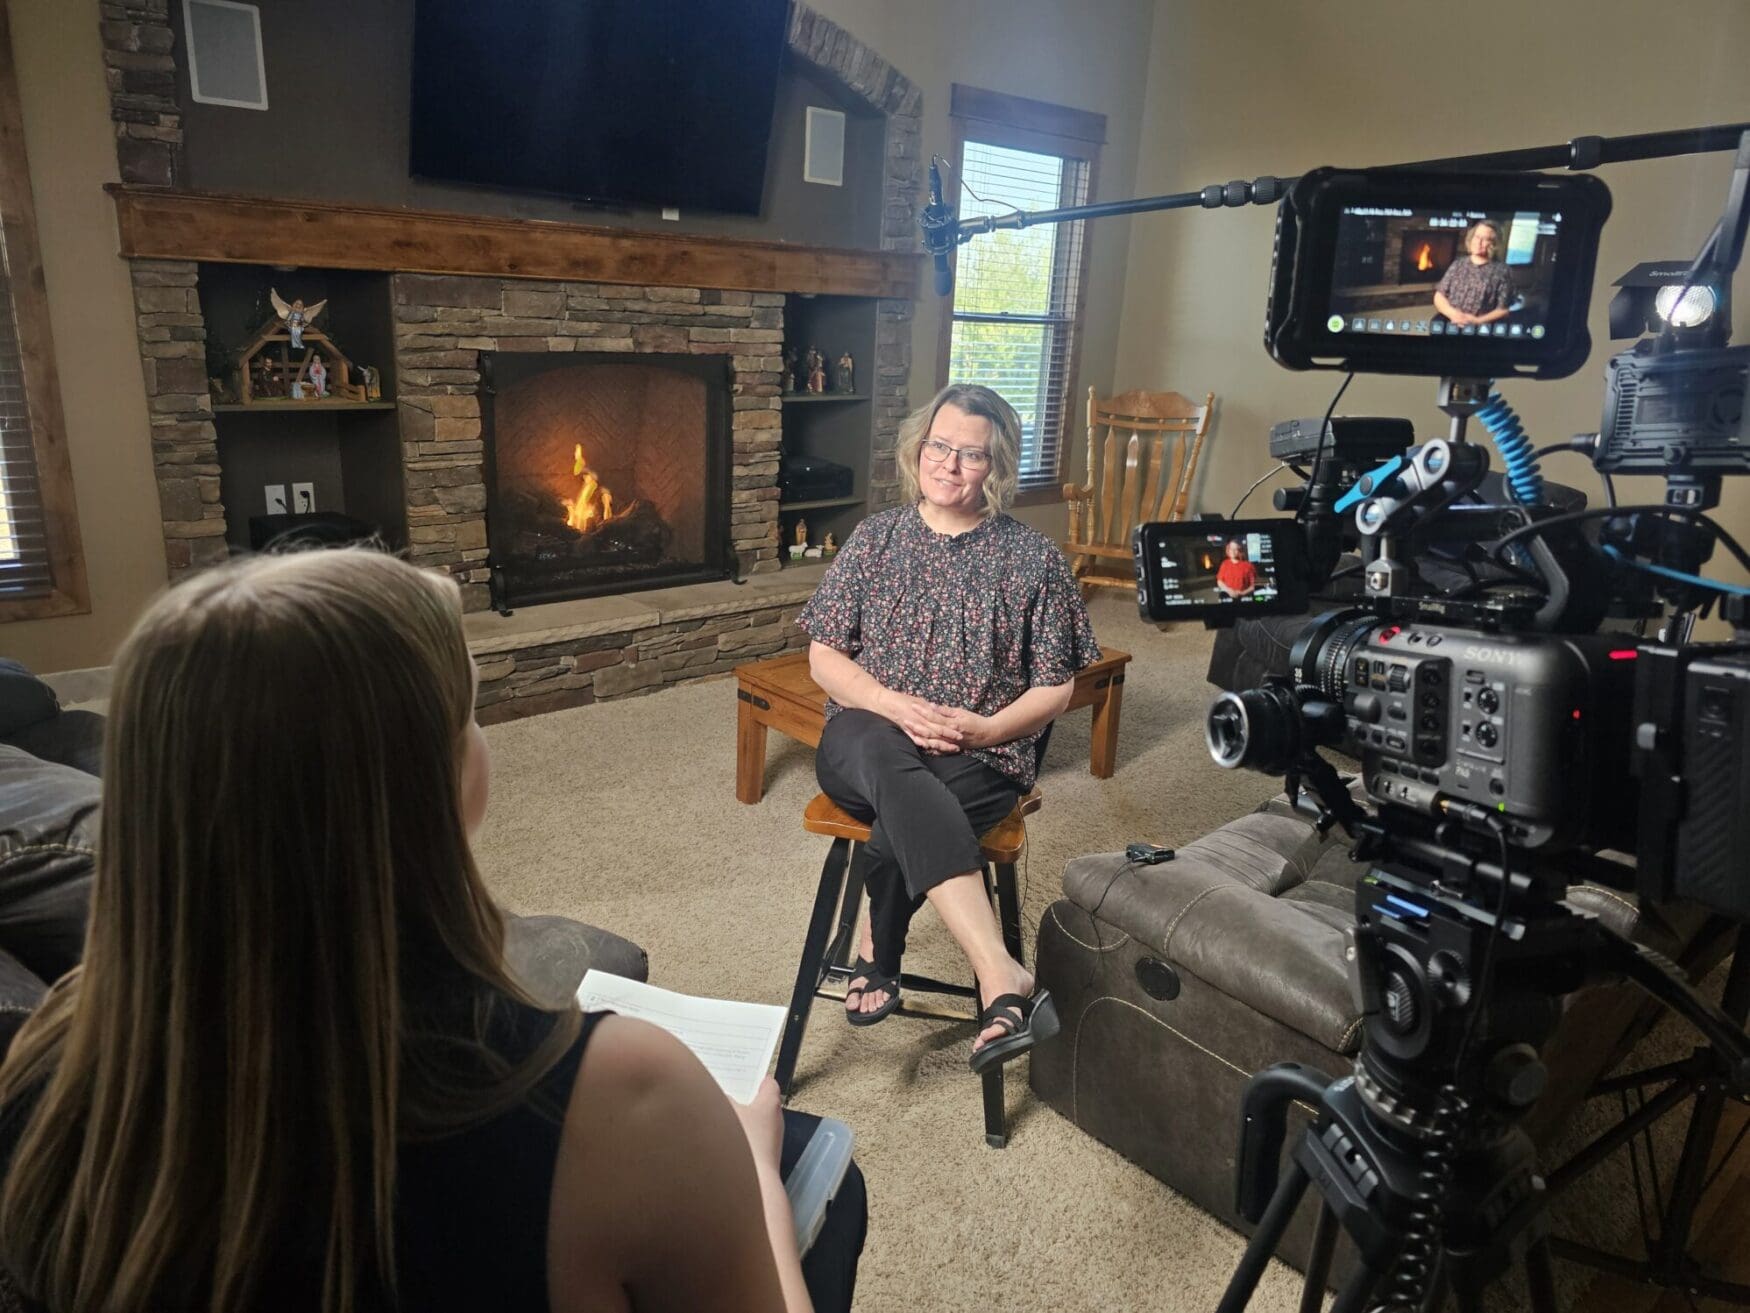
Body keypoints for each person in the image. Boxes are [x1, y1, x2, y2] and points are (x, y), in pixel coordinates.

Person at [0, 549, 859, 1313]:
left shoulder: (55, 1065)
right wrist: (752, 1178)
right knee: (830, 1184)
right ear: (437, 780)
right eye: (470, 715)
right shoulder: (626, 1091)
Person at [797, 383, 1100, 1072]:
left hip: (978, 754)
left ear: (996, 465)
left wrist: (988, 731)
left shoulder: (1034, 560)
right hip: (864, 733)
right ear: (917, 447)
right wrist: (893, 704)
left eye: (971, 453)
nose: (949, 464)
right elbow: (823, 654)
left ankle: (879, 948)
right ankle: (999, 969)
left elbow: (1059, 683)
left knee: (901, 811)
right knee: (882, 752)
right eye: (939, 445)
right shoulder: (877, 537)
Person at [1433, 219, 1516, 328]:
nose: (1479, 242)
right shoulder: (1458, 264)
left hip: (1481, 323)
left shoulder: (1503, 271)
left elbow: (1503, 310)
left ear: (1494, 244)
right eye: (1477, 237)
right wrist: (1452, 314)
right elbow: (1439, 295)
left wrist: (1477, 321)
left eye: (1485, 239)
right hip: (1452, 317)